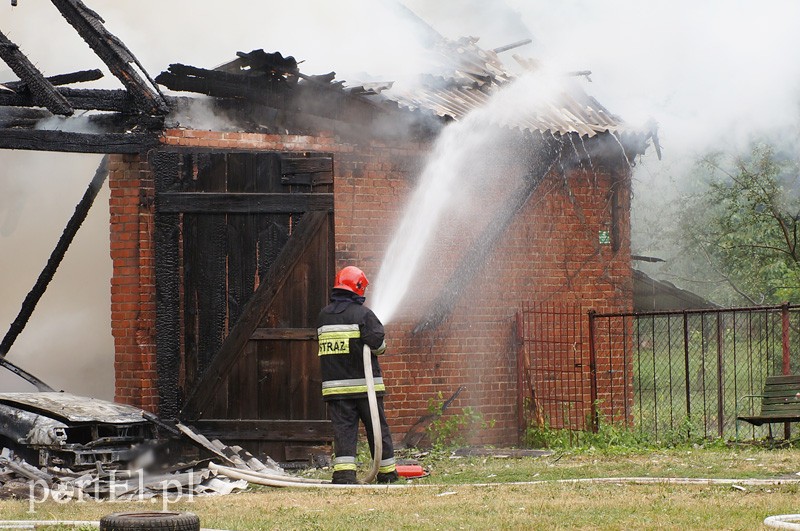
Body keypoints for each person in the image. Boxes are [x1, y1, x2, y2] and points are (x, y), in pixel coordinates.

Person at [316, 266, 398, 484]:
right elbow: (378, 345)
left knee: (343, 431)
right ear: (358, 288)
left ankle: (344, 475)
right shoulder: (363, 315)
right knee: (377, 430)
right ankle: (387, 473)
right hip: (365, 387)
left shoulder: (323, 316)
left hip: (335, 389)